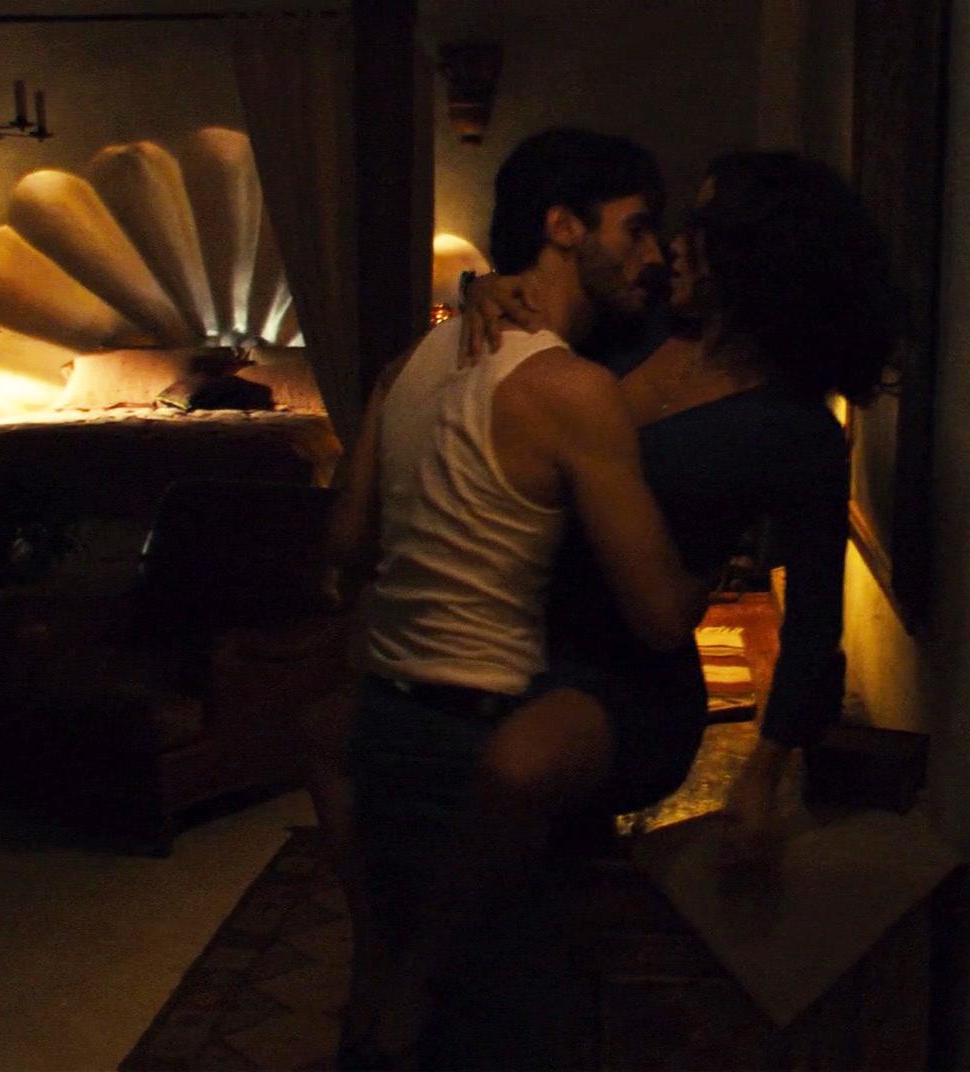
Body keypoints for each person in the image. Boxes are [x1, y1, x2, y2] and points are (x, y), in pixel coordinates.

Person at [317, 127, 712, 1068]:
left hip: (381, 728)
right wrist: (713, 550)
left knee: (407, 1015)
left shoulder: (411, 363)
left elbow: (347, 546)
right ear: (563, 226)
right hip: (479, 740)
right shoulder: (570, 390)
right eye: (638, 228)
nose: (655, 255)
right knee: (503, 1027)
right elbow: (659, 617)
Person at [460, 149, 899, 868]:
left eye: (701, 226)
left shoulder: (796, 432)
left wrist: (763, 772)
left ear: (754, 255)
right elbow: (535, 331)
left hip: (628, 677)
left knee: (517, 786)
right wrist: (484, 288)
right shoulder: (636, 329)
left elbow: (816, 619)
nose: (673, 245)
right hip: (514, 637)